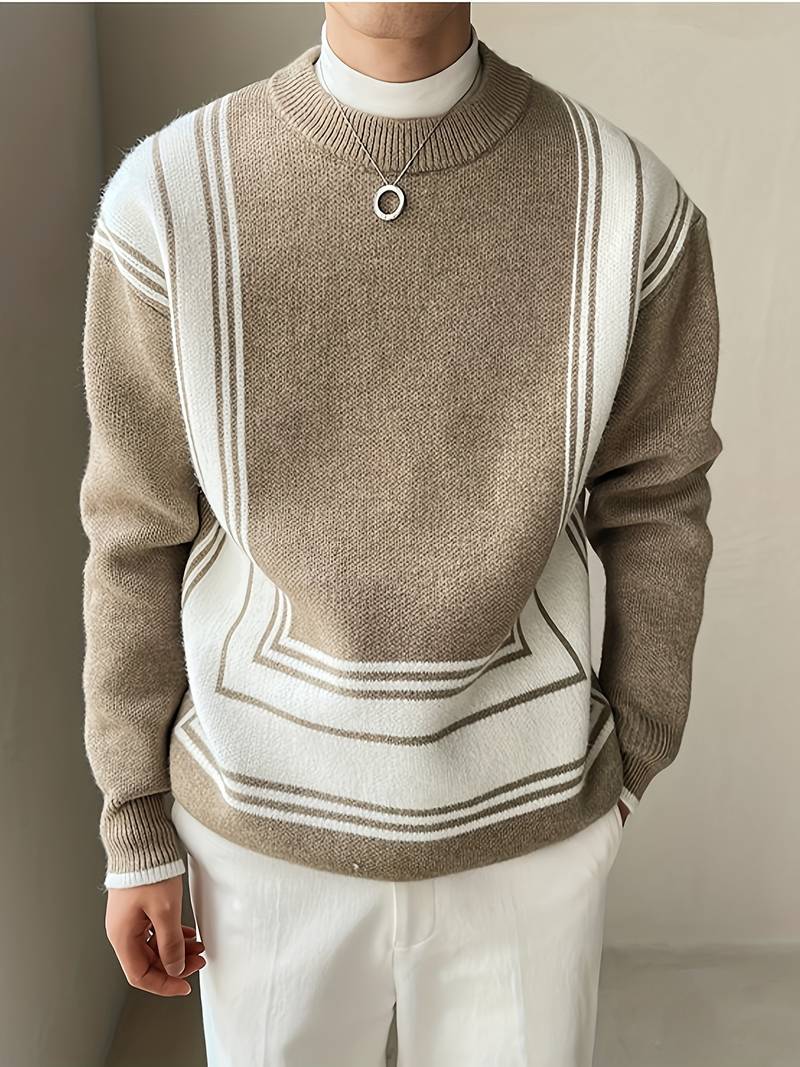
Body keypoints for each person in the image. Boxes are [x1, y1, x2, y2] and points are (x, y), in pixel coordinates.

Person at [78, 3, 723, 1064]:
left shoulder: (629, 204)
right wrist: (134, 823)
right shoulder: (170, 197)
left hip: (526, 833)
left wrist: (630, 756)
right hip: (259, 833)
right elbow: (134, 528)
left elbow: (657, 500)